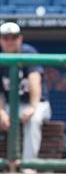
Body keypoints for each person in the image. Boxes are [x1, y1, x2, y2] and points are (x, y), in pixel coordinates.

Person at [0, 22, 51, 166]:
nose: (10, 41)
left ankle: (28, 167)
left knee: (33, 119)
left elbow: (35, 81)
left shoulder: (28, 52)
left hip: (37, 103)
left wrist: (32, 107)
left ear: (20, 38)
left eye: (13, 37)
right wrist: (1, 111)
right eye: (5, 38)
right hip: (10, 105)